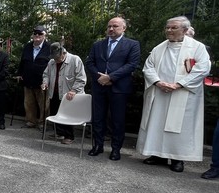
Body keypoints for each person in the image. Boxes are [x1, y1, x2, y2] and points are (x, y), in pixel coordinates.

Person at [136, 16, 211, 172]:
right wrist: (158, 82)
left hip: (183, 94)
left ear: (184, 30)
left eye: (173, 28)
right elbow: (148, 67)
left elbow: (203, 68)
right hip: (161, 91)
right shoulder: (159, 48)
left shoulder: (197, 48)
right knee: (157, 123)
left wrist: (178, 84)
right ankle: (157, 154)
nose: (169, 30)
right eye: (167, 27)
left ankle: (177, 159)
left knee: (180, 127)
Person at [85, 17, 141, 161]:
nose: (111, 29)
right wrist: (100, 77)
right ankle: (98, 145)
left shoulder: (132, 45)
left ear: (124, 28)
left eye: (115, 26)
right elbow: (90, 62)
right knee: (98, 118)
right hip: (99, 86)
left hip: (119, 88)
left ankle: (116, 149)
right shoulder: (98, 45)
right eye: (109, 26)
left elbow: (132, 64)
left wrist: (110, 77)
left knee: (117, 120)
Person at [41, 43, 87, 144]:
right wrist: (45, 83)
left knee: (67, 116)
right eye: (53, 57)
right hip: (54, 92)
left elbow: (81, 78)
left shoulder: (75, 60)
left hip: (70, 94)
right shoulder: (51, 62)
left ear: (64, 53)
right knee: (55, 113)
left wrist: (74, 90)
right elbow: (46, 74)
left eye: (57, 57)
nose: (55, 60)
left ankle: (69, 136)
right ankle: (59, 133)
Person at [16, 25, 51, 130]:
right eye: (35, 33)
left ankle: (42, 123)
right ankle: (31, 121)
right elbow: (22, 61)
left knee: (44, 104)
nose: (37, 35)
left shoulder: (49, 48)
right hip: (27, 79)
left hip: (42, 81)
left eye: (40, 33)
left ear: (44, 35)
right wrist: (19, 73)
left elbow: (52, 64)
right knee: (29, 103)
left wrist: (48, 80)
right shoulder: (28, 46)